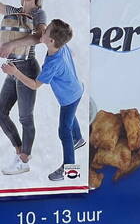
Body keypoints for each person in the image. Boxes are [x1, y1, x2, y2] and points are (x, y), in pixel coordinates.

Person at [1, 19, 84, 181]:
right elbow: (70, 51)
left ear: (51, 41)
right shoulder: (61, 46)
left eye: (46, 31)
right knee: (70, 118)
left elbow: (34, 85)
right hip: (77, 89)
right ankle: (78, 139)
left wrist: (15, 72)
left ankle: (70, 171)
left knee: (63, 131)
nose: (43, 30)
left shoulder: (52, 63)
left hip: (69, 98)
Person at [0, 0, 46, 176]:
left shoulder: (38, 13)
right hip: (12, 68)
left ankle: (24, 159)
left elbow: (40, 37)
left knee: (25, 118)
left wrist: (10, 45)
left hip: (27, 66)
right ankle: (20, 152)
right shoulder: (13, 11)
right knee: (1, 112)